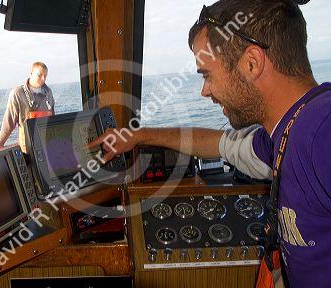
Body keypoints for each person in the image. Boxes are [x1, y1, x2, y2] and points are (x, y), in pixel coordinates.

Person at [88, 0, 331, 287]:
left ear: (252, 63)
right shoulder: (284, 136)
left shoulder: (320, 130)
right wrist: (138, 136)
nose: (204, 91)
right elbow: (219, 143)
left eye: (207, 75)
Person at [0, 62, 55, 153]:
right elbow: (9, 121)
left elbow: (53, 118)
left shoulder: (48, 93)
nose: (43, 79)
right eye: (39, 75)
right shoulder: (18, 93)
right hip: (28, 151)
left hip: (48, 147)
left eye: (45, 76)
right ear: (31, 73)